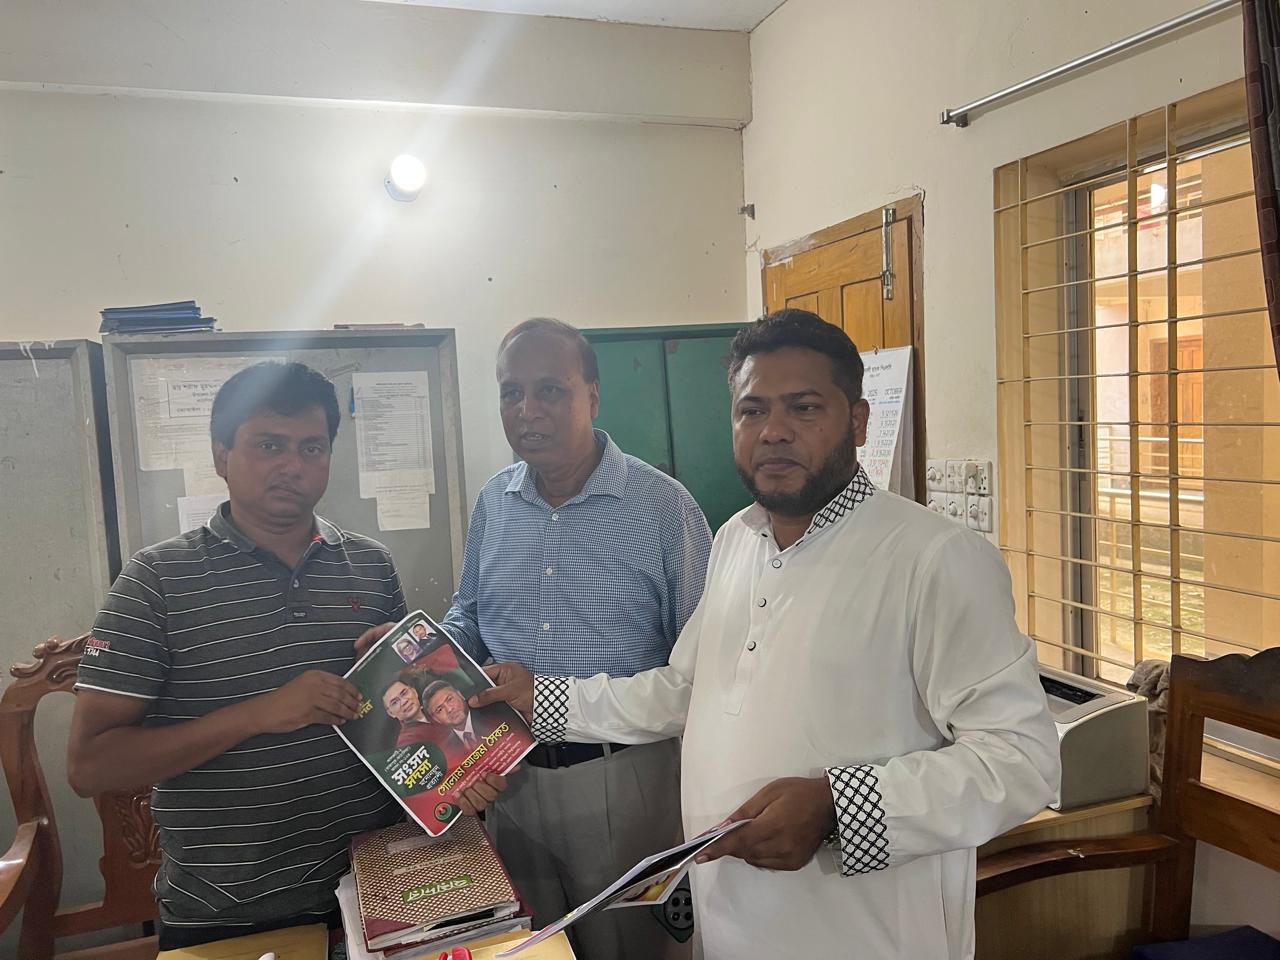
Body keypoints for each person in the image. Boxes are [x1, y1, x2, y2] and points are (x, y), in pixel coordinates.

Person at [473, 310, 1062, 960]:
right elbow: (684, 691)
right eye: (752, 411)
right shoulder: (737, 539)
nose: (774, 431)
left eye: (803, 408)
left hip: (863, 935)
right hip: (731, 918)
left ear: (858, 421)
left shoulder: (935, 558)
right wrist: (542, 699)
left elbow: (1022, 760)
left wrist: (839, 808)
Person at [67, 361, 507, 949]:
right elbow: (90, 766)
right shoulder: (156, 580)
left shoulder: (370, 565)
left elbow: (403, 729)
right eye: (269, 445)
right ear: (222, 455)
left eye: (311, 448)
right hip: (227, 909)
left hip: (381, 890)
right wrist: (259, 714)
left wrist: (461, 777)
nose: (292, 465)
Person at [437, 318, 713, 960]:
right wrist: (411, 649)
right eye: (511, 393)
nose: (527, 410)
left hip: (624, 780)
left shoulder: (664, 508)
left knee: (635, 951)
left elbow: (701, 672)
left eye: (550, 390)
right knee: (527, 949)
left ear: (593, 395)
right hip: (508, 778)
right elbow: (468, 619)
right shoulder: (494, 503)